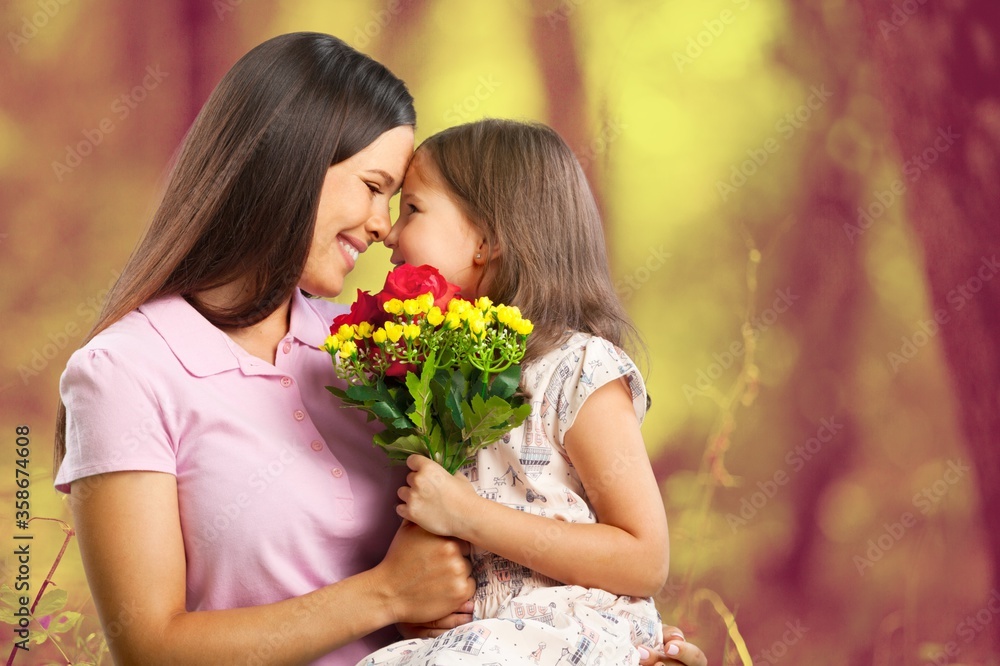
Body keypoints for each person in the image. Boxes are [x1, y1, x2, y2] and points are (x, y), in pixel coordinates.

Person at [53, 32, 475, 665]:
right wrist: (383, 596)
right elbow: (149, 648)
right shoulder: (124, 373)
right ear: (293, 161)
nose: (385, 224)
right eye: (373, 185)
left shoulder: (368, 342)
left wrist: (620, 640)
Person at [359, 119, 706, 666]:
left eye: (413, 209)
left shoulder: (579, 370)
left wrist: (470, 517)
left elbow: (645, 558)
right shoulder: (443, 380)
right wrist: (420, 612)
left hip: (567, 639)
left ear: (487, 240)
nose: (391, 234)